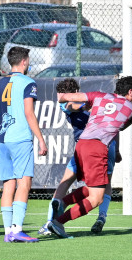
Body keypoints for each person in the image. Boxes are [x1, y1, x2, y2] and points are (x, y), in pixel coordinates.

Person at [47, 76, 132, 238]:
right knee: (97, 198)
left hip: (82, 143)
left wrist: (80, 106)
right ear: (130, 92)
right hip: (98, 147)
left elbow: (65, 97)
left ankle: (63, 201)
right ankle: (58, 222)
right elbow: (122, 126)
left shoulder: (99, 96)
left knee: (95, 187)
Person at [38, 78, 120, 236]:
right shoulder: (73, 104)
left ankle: (51, 220)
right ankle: (101, 216)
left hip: (88, 147)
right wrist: (91, 105)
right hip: (104, 146)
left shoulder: (67, 102)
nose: (60, 99)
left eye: (61, 95)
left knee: (67, 181)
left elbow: (72, 104)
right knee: (102, 184)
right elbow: (74, 105)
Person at [0, 47, 48, 243]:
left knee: (8, 184)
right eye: (28, 60)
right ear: (24, 61)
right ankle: (17, 229)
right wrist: (40, 138)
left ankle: (8, 231)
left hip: (1, 139)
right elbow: (28, 113)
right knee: (24, 182)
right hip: (19, 138)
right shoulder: (28, 82)